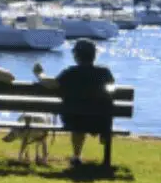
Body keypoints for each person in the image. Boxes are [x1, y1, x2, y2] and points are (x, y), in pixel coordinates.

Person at [36, 39, 117, 167]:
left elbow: (52, 84)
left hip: (74, 119)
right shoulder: (104, 72)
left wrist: (40, 74)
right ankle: (104, 136)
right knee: (99, 110)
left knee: (78, 119)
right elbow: (112, 88)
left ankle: (77, 156)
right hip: (100, 120)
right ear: (94, 55)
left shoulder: (70, 72)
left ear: (76, 56)